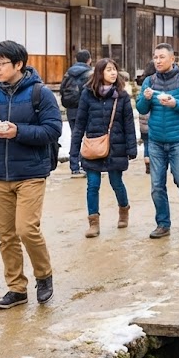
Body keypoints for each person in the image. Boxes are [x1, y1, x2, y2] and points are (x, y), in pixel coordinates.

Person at [0, 41, 61, 309]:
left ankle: (44, 275)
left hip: (31, 173)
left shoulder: (40, 94)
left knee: (26, 229)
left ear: (18, 64)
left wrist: (17, 131)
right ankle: (16, 288)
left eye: (1, 63)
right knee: (7, 235)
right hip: (0, 173)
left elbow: (53, 130)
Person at [136, 43, 179, 238]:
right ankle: (163, 224)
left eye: (162, 57)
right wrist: (145, 99)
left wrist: (175, 104)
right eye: (155, 57)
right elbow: (141, 109)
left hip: (178, 139)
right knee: (156, 185)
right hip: (155, 140)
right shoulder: (149, 81)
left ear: (172, 59)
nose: (157, 61)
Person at [71, 58, 137, 238]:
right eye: (109, 70)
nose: (113, 73)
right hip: (93, 146)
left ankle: (124, 210)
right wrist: (73, 152)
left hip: (116, 146)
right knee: (92, 185)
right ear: (100, 73)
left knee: (116, 182)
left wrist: (132, 148)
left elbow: (128, 123)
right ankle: (93, 222)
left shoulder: (121, 95)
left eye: (115, 69)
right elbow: (80, 123)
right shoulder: (87, 94)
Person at [61, 50, 93, 177]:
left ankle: (74, 166)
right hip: (86, 108)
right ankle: (87, 165)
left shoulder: (68, 73)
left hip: (71, 109)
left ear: (76, 59)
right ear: (89, 60)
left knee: (75, 136)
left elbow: (62, 89)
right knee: (89, 137)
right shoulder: (90, 73)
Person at [135, 61, 154, 175]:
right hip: (153, 118)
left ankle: (147, 161)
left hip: (143, 119)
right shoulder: (157, 83)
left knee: (146, 142)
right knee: (154, 143)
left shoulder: (143, 83)